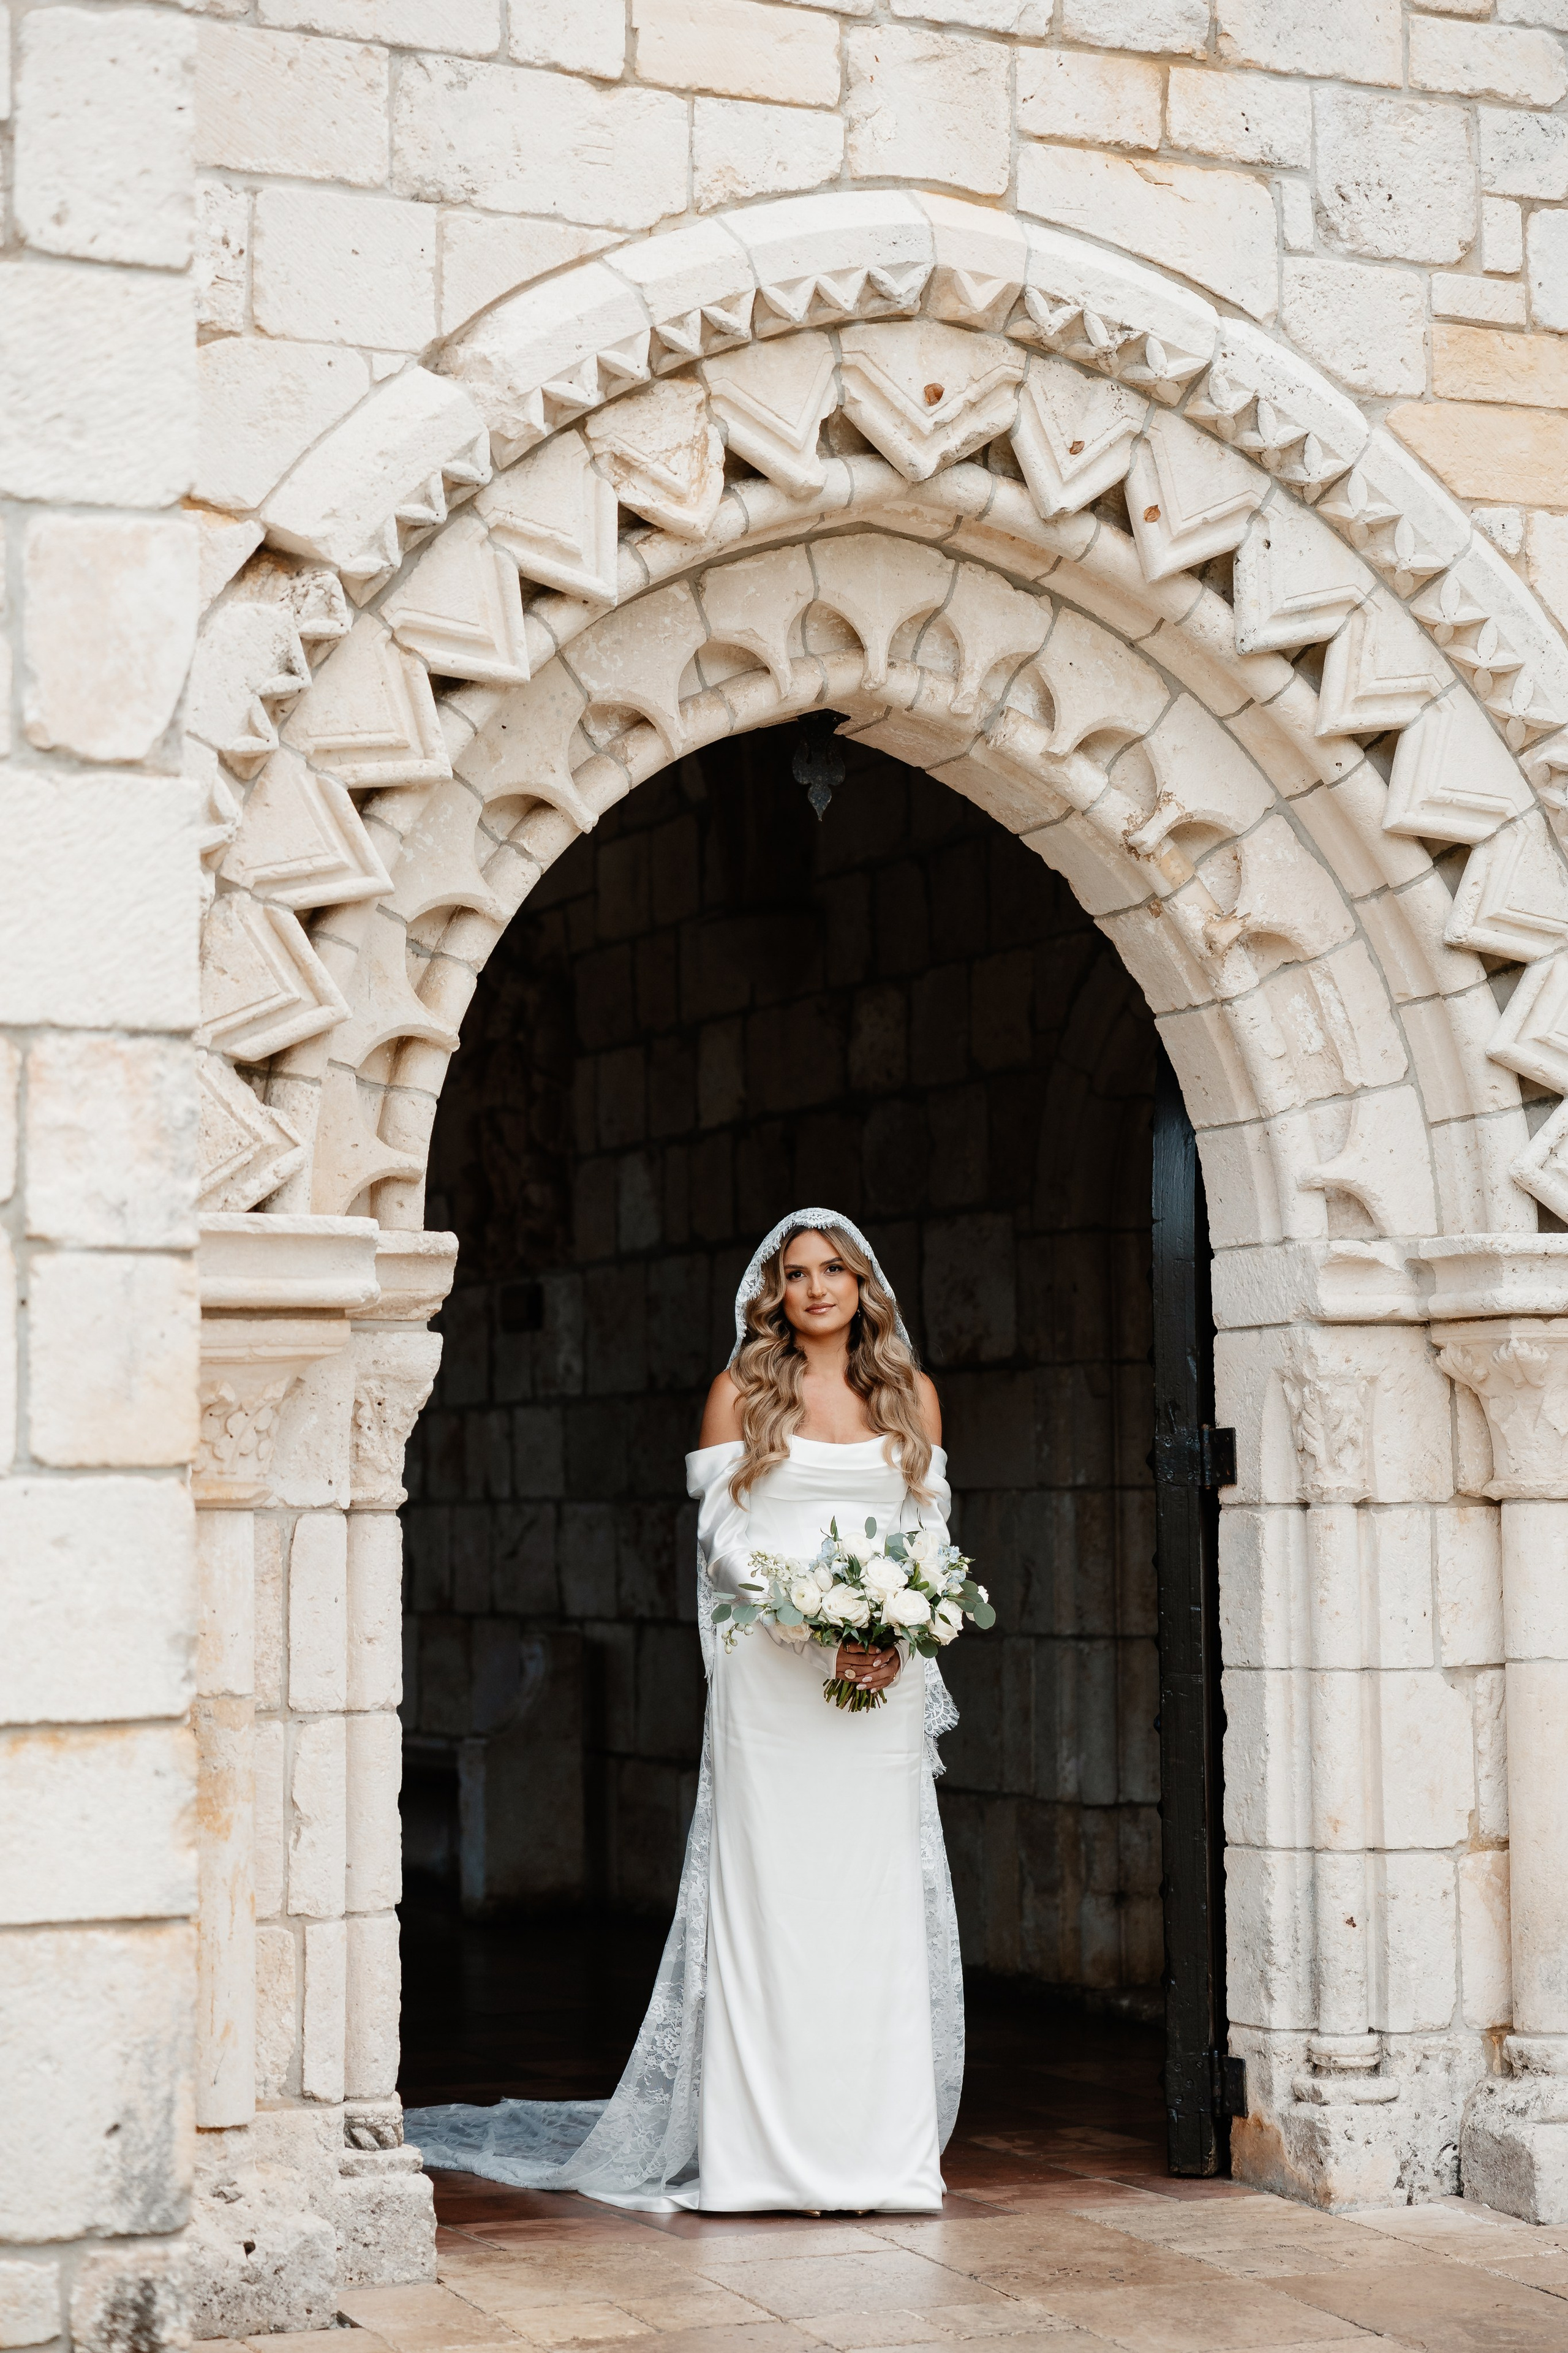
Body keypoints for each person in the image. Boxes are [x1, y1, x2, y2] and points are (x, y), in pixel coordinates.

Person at [407, 1210, 965, 2213]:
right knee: (777, 1904)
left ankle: (885, 2156)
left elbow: (933, 1542)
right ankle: (760, 2160)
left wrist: (892, 1627)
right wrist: (818, 1616)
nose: (818, 1287)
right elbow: (724, 1546)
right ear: (775, 1293)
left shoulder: (912, 1396)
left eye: (835, 1268)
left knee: (872, 1905)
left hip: (880, 1682)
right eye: (798, 1273)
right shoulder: (741, 1392)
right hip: (774, 1683)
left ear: (864, 1282)